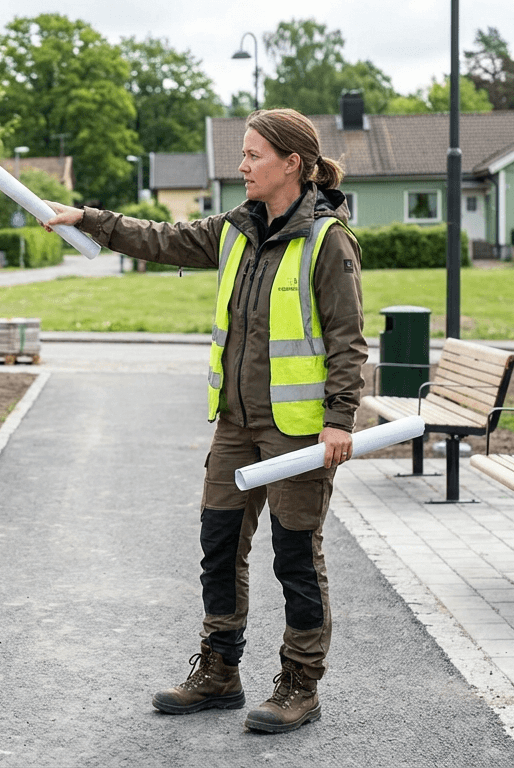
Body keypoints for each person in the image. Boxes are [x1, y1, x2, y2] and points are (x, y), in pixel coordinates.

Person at [44, 108, 365, 735]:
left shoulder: (327, 241)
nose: (241, 166)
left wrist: (339, 419)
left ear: (292, 164)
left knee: (296, 558)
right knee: (219, 545)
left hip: (297, 431)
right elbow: (160, 238)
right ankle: (220, 671)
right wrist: (87, 219)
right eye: (242, 153)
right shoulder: (235, 229)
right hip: (236, 426)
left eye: (252, 155)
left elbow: (348, 340)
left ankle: (301, 683)